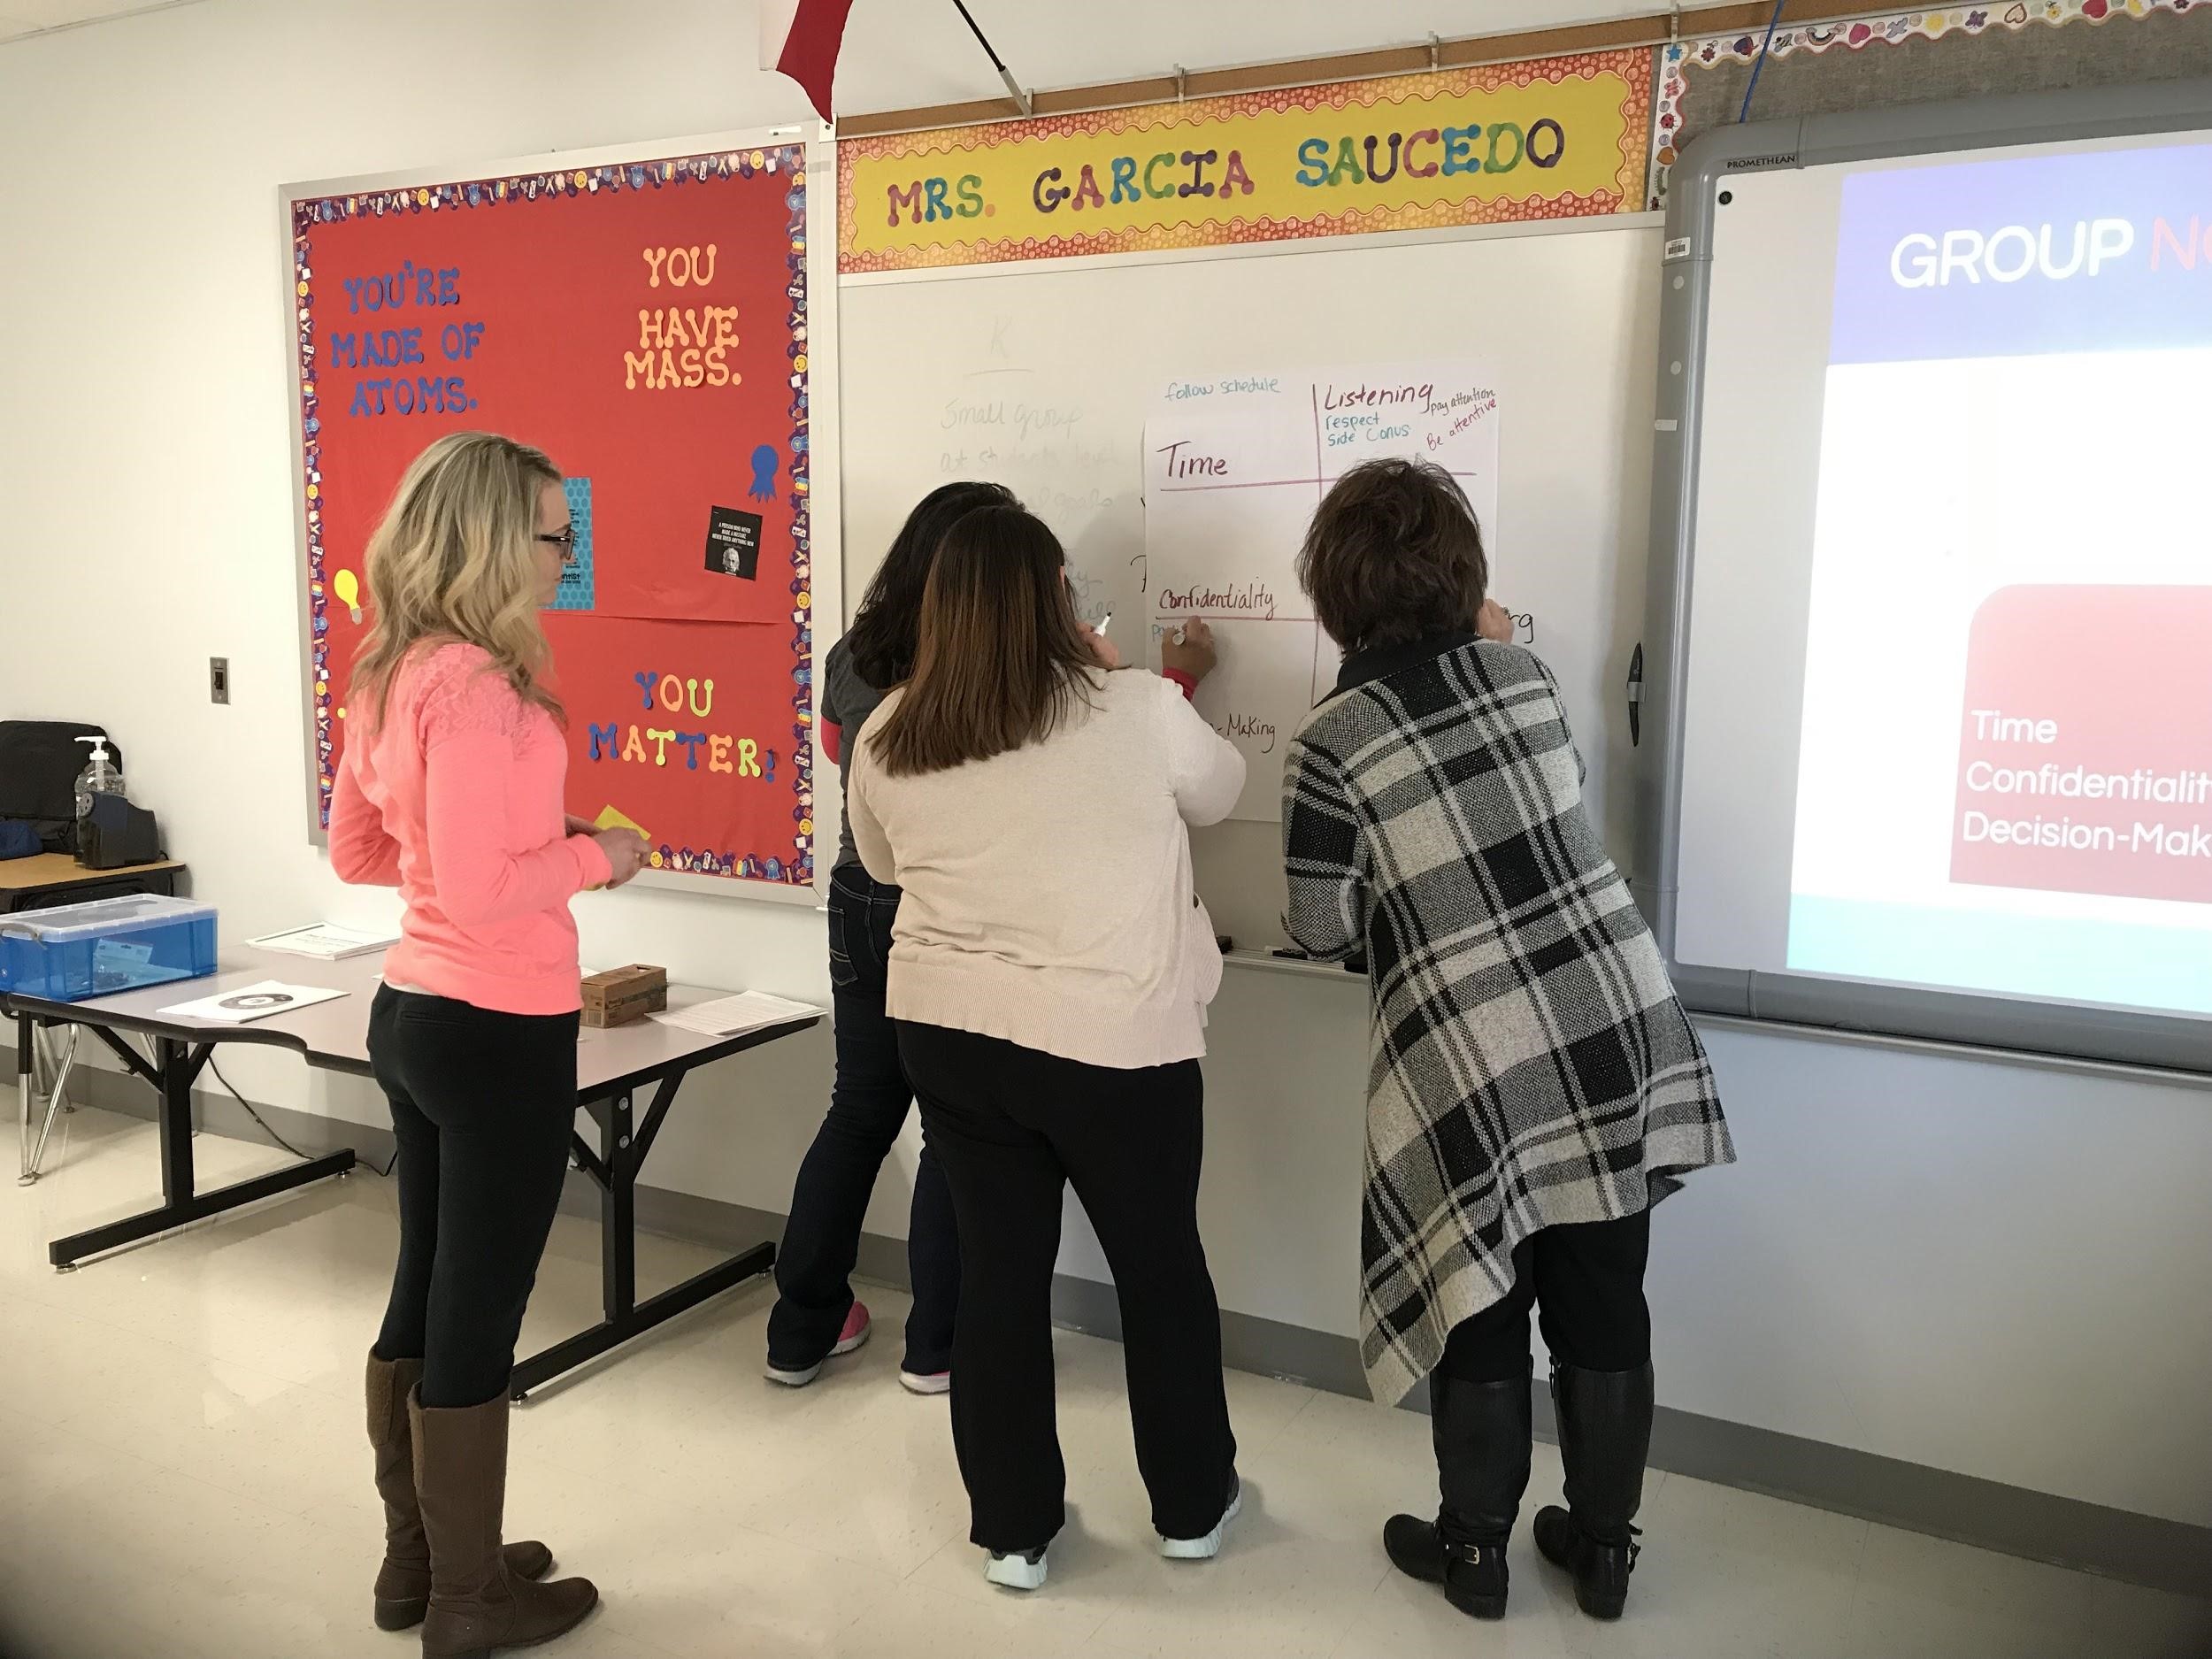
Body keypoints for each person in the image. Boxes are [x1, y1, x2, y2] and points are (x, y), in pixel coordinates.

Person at [1279, 457, 1735, 1624]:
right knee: (1603, 1293)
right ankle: (1604, 1547)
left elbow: (1319, 921)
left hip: (1470, 1058)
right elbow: (1552, 798)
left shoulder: (1330, 737)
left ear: (1331, 590)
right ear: (1465, 574)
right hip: (1609, 1022)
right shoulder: (1525, 677)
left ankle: (1476, 1549)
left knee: (1478, 1299)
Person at [845, 503, 1241, 1591]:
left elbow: (880, 869)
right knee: (1160, 1272)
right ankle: (1192, 1508)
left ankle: (1015, 1531)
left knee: (996, 1284)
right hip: (1116, 1045)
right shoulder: (1136, 709)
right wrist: (1119, 674)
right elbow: (1225, 790)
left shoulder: (886, 732)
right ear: (1052, 603)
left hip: (953, 1037)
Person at [330, 431, 648, 1655]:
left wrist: (531, 828)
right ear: (491, 538)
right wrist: (593, 856)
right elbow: (473, 884)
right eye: (554, 532)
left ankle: (418, 1557)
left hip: (413, 1012)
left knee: (424, 1277)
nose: (565, 556)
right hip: (496, 1023)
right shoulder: (480, 688)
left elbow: (370, 852)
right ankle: (470, 1598)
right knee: (478, 1301)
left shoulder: (390, 672)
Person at [764, 480, 1015, 1394]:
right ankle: (935, 1347)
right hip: (944, 910)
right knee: (951, 1127)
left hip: (856, 894)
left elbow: (838, 753)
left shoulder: (850, 652)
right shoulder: (988, 666)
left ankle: (801, 1327)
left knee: (860, 1107)